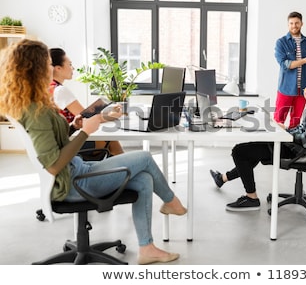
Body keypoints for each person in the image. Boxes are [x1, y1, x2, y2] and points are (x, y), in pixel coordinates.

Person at [0, 39, 187, 264]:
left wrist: (74, 126)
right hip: (73, 183)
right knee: (145, 157)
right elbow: (52, 165)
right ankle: (171, 202)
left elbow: (54, 143)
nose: (52, 68)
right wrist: (85, 132)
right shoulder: (36, 111)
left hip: (77, 171)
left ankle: (147, 248)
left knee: (145, 179)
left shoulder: (33, 103)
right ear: (35, 68)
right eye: (48, 63)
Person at [210, 61, 306, 211]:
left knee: (240, 151)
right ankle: (223, 178)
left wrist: (284, 131)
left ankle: (251, 198)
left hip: (297, 150)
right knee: (252, 151)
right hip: (298, 146)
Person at [49, 48, 124, 156]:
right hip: (70, 143)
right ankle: (126, 169)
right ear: (58, 68)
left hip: (61, 141)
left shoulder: (49, 88)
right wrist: (111, 115)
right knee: (111, 140)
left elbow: (82, 116)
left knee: (110, 141)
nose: (73, 68)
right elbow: (86, 119)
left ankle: (123, 168)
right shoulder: (60, 91)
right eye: (69, 64)